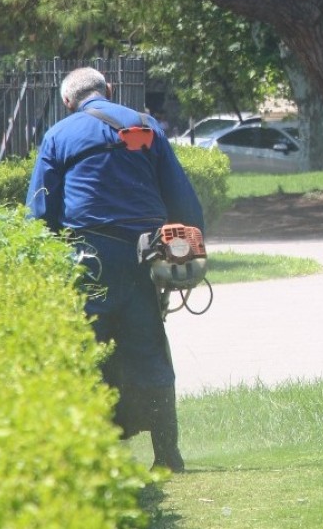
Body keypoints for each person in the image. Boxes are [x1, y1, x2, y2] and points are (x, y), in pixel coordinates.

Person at [27, 67, 203, 472]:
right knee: (150, 347)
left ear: (67, 102)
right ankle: (168, 455)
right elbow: (179, 194)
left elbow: (39, 212)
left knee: (88, 351)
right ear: (109, 88)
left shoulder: (59, 136)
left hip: (87, 258)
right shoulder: (143, 127)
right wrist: (193, 243)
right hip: (146, 256)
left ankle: (95, 457)